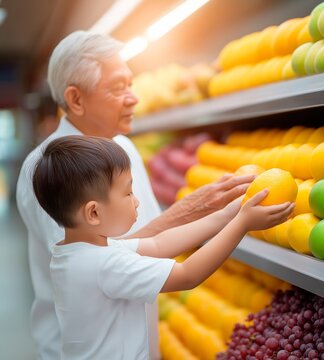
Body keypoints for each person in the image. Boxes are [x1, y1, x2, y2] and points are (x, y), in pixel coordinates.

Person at [16, 31, 254, 360]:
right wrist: (195, 212)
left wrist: (222, 213)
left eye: (132, 84)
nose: (134, 98)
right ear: (76, 99)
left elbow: (152, 244)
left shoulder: (121, 147)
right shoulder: (48, 173)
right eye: (118, 88)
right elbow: (108, 255)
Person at [32, 135, 294, 359]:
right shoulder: (104, 264)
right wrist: (242, 224)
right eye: (127, 193)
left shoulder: (79, 251)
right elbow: (188, 274)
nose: (136, 202)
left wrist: (229, 213)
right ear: (93, 214)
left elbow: (159, 243)